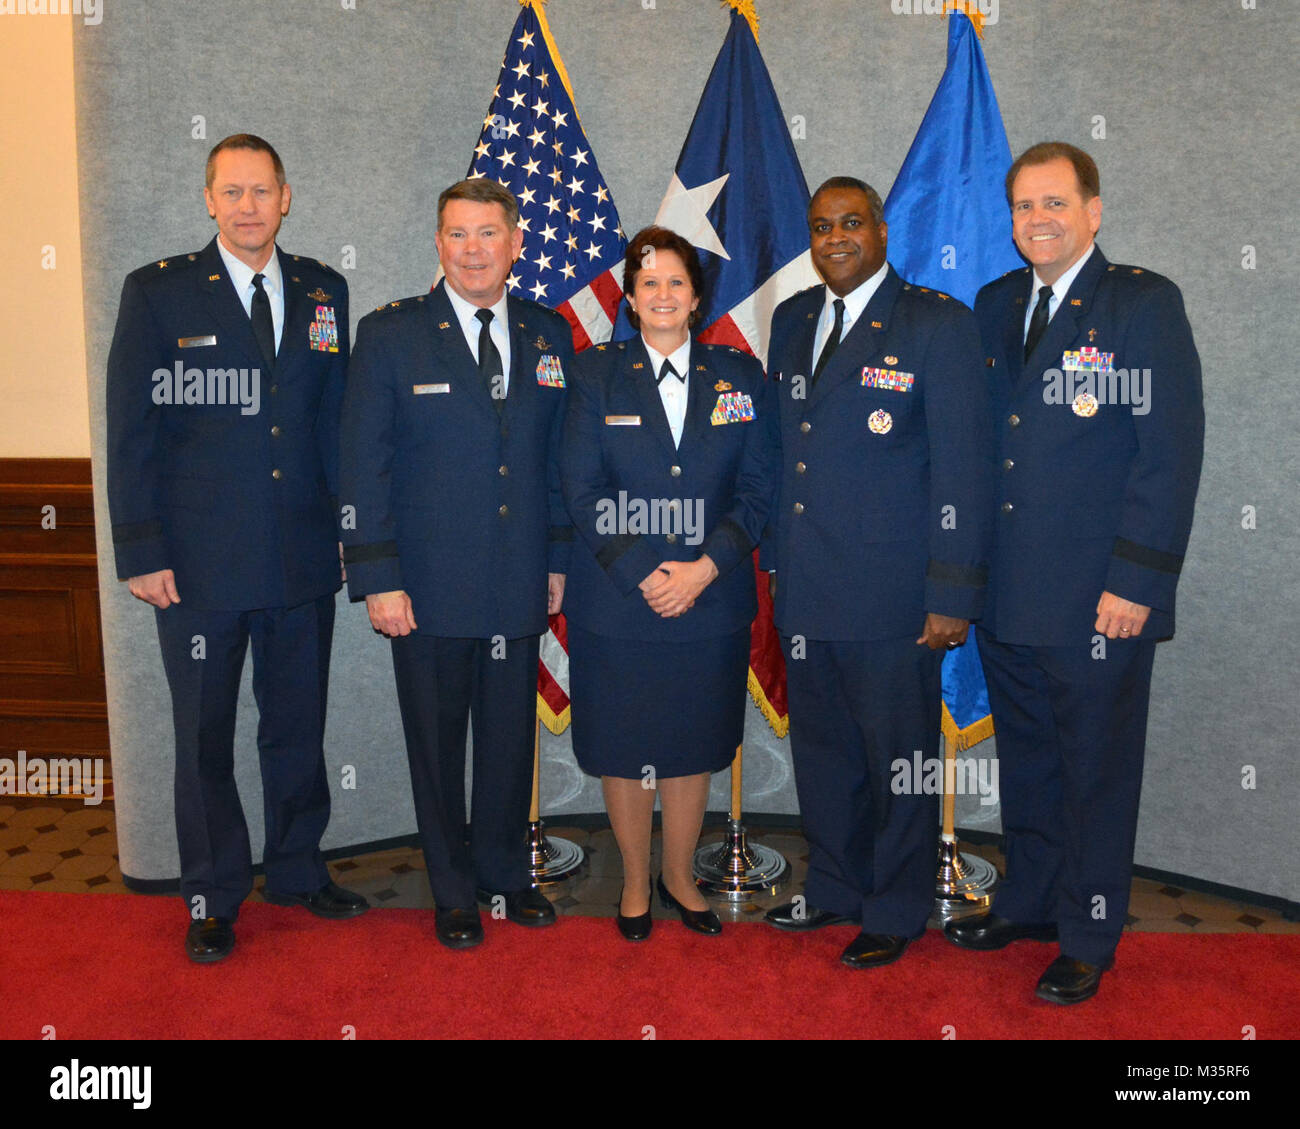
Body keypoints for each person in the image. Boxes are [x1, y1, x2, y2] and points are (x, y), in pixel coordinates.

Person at [944, 142, 1204, 1004]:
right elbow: (986, 452)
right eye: (1023, 206)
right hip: (1012, 594)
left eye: (1055, 203)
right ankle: (1030, 902)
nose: (1038, 221)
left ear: (1093, 210)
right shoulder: (994, 304)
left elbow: (1166, 456)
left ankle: (1090, 930)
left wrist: (1137, 582)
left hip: (1100, 599)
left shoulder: (1139, 304)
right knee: (1030, 761)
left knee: (1096, 769)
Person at [105, 133, 366, 964]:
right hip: (199, 567)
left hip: (300, 557)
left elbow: (331, 425)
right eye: (232, 192)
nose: (248, 206)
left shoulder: (326, 289)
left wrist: (348, 539)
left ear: (286, 197)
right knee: (205, 736)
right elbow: (132, 429)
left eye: (263, 191)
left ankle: (294, 867)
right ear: (209, 201)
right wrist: (142, 547)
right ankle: (212, 893)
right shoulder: (159, 293)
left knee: (295, 726)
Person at [762, 177, 993, 968]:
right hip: (807, 590)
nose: (836, 238)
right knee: (823, 757)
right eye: (822, 226)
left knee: (898, 761)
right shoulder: (791, 321)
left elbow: (965, 469)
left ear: (884, 231)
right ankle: (834, 886)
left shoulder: (935, 324)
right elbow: (783, 459)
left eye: (851, 222)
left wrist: (953, 591)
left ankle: (894, 907)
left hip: (898, 602)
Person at [339, 179, 571, 949]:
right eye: (456, 235)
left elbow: (557, 462)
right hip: (426, 587)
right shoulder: (392, 335)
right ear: (438, 245)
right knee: (437, 744)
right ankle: (452, 890)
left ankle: (504, 873)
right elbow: (363, 463)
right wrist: (378, 575)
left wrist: (558, 559)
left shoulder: (548, 334)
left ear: (515, 243)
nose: (472, 249)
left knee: (508, 737)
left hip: (515, 580)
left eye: (487, 233)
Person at [561, 227, 778, 941]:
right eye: (647, 282)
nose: (661, 294)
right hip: (617, 598)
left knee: (692, 741)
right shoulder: (593, 374)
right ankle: (631, 880)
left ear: (695, 297)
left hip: (709, 599)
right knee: (624, 742)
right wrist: (642, 570)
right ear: (629, 297)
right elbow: (580, 486)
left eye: (675, 283)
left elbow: (757, 489)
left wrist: (706, 566)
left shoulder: (741, 378)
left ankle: (680, 877)